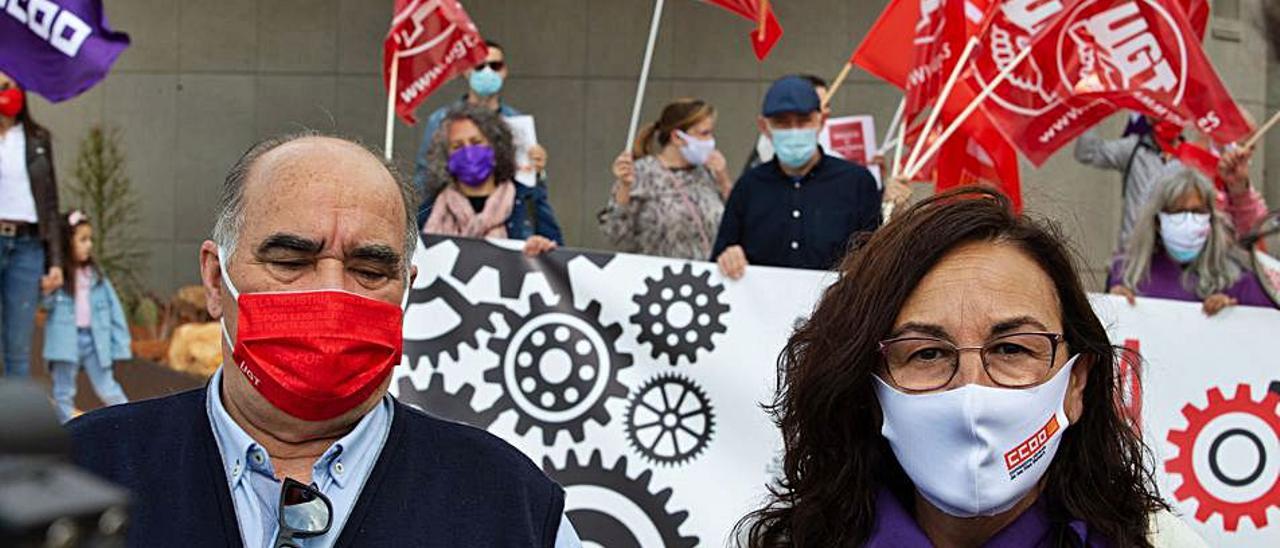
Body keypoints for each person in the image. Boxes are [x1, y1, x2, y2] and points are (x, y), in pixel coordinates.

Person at [67, 132, 581, 546]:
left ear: (408, 291)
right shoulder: (79, 475)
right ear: (214, 279)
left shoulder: (512, 505)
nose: (332, 294)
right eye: (291, 262)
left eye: (369, 269)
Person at [737, 187, 1202, 547]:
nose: (971, 393)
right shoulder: (790, 542)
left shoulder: (1157, 543)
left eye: (1012, 349)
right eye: (927, 354)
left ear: (1075, 385)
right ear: (868, 389)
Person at [713, 75, 882, 279]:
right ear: (764, 127)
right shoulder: (748, 187)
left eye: (803, 121)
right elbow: (720, 256)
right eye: (782, 123)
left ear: (821, 121)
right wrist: (729, 257)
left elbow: (875, 259)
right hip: (761, 307)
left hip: (835, 307)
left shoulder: (857, 183)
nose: (794, 131)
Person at [413, 40, 560, 244]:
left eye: (495, 66)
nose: (487, 72)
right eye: (480, 66)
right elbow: (424, 180)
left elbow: (531, 189)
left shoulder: (517, 123)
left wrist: (538, 172)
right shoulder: (441, 120)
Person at [1074, 115, 1263, 251]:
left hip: (1187, 268)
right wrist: (1091, 112)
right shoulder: (1134, 149)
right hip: (1134, 260)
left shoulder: (1197, 162)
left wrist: (1238, 189)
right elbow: (1088, 153)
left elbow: (1246, 232)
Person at [1110, 169, 1273, 315]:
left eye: (1197, 211)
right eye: (1178, 211)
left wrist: (1232, 315)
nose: (1189, 220)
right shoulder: (1126, 274)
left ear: (1210, 218)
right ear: (1158, 221)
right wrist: (1114, 306)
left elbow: (1267, 329)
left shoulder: (1239, 280)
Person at [600, 98, 731, 260]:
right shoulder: (642, 173)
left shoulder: (707, 173)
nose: (710, 141)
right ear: (677, 137)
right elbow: (615, 234)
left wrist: (724, 180)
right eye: (704, 134)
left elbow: (734, 224)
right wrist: (625, 187)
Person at [422, 105, 559, 256]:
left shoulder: (527, 202)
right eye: (457, 146)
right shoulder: (428, 209)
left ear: (496, 147)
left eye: (476, 142)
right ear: (446, 155)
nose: (468, 153)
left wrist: (542, 251)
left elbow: (558, 260)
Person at [0, 71, 65, 378]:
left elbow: (50, 203)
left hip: (27, 247)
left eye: (12, 86)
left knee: (18, 346)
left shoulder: (38, 139)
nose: (6, 92)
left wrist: (55, 261)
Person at [42, 210, 130, 423]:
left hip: (95, 341)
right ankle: (65, 435)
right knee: (63, 392)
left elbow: (114, 311)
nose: (88, 244)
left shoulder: (97, 277)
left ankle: (131, 422)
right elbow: (44, 305)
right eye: (82, 239)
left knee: (108, 387)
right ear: (66, 242)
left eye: (90, 239)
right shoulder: (59, 278)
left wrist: (121, 344)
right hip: (64, 343)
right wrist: (49, 289)